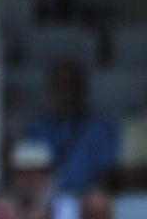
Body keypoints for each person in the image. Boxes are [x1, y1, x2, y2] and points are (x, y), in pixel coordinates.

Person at [26, 56, 118, 194]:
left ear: (83, 88)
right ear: (50, 89)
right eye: (60, 85)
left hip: (87, 202)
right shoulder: (39, 128)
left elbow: (108, 173)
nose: (67, 92)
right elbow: (30, 169)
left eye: (72, 84)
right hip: (46, 202)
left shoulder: (101, 128)